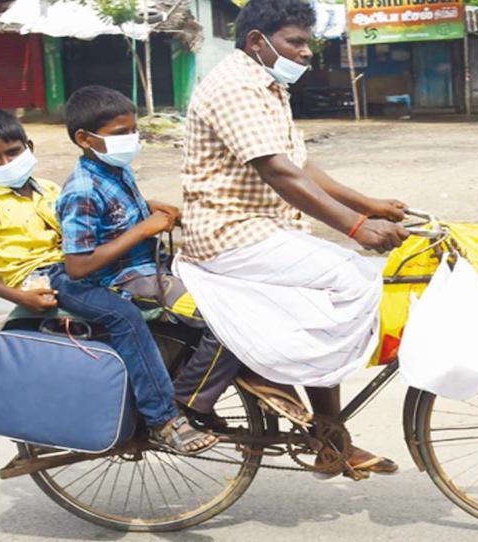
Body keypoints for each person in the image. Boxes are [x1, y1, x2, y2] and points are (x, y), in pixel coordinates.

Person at [173, 0, 411, 476]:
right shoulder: (237, 87)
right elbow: (278, 171)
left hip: (261, 230)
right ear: (258, 42)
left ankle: (329, 441)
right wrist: (359, 227)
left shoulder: (268, 84)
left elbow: (299, 163)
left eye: (308, 42)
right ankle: (285, 379)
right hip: (228, 233)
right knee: (353, 278)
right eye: (296, 42)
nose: (307, 53)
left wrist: (367, 204)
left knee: (330, 292)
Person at [0, 110, 214, 455]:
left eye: (13, 152)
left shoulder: (48, 189)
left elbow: (89, 216)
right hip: (47, 277)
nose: (7, 161)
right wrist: (21, 296)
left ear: (29, 147)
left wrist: (148, 206)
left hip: (75, 265)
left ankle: (183, 390)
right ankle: (164, 419)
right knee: (124, 316)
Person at [56, 85, 247, 433]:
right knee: (225, 321)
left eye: (133, 131)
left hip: (150, 266)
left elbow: (119, 215)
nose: (131, 139)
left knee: (238, 291)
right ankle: (187, 402)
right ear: (85, 138)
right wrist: (143, 229)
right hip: (124, 280)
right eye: (119, 134)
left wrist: (152, 207)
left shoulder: (115, 171)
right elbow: (77, 265)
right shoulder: (81, 190)